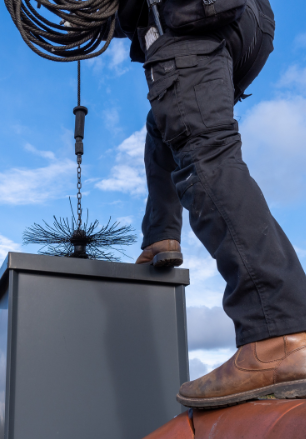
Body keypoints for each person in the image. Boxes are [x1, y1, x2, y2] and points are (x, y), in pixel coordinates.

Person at [117, 0, 306, 408]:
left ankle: (277, 335)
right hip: (247, 23)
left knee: (205, 156)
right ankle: (161, 234)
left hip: (187, 16)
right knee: (166, 121)